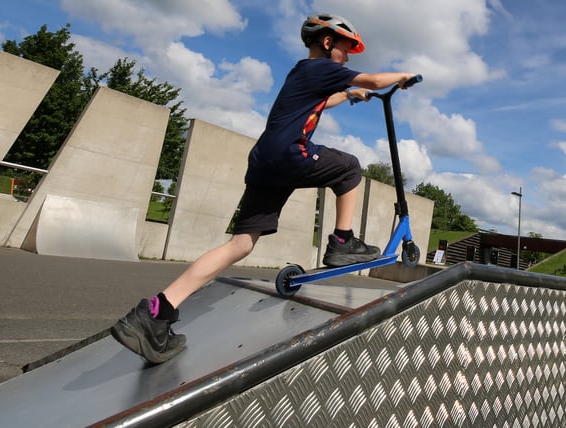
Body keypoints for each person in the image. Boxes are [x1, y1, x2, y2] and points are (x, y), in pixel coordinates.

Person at [110, 13, 417, 364]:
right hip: (289, 154)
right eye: (346, 49)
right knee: (349, 167)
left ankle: (155, 312)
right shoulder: (321, 68)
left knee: (240, 244)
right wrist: (403, 76)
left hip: (264, 162)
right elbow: (377, 79)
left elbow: (321, 101)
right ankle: (343, 242)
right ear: (328, 42)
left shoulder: (302, 73)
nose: (347, 58)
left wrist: (348, 96)